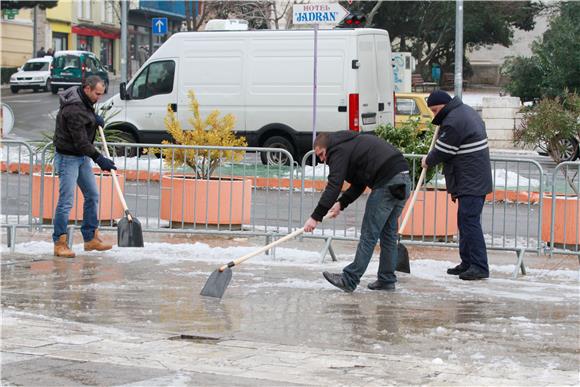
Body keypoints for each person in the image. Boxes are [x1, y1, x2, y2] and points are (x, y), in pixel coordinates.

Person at [303, 131, 411, 292]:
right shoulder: (350, 145)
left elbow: (334, 185)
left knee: (369, 234)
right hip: (403, 180)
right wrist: (341, 203)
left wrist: (315, 217)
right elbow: (359, 184)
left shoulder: (337, 150)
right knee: (388, 234)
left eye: (321, 154)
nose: (322, 159)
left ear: (327, 148)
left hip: (387, 183)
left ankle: (349, 279)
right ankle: (386, 280)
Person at [421, 90, 493, 280]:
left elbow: (444, 150)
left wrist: (427, 160)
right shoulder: (464, 112)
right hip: (473, 178)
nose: (435, 115)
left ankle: (479, 266)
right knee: (465, 221)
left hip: (471, 180)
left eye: (436, 110)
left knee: (469, 222)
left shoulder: (454, 121)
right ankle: (467, 262)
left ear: (444, 104)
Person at [52, 75, 117, 258]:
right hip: (68, 158)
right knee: (66, 202)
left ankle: (90, 239)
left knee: (92, 195)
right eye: (97, 94)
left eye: (101, 94)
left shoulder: (83, 100)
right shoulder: (74, 109)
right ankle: (60, 243)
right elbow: (81, 142)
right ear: (87, 89)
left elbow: (85, 116)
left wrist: (93, 118)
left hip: (80, 158)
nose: (99, 97)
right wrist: (99, 159)